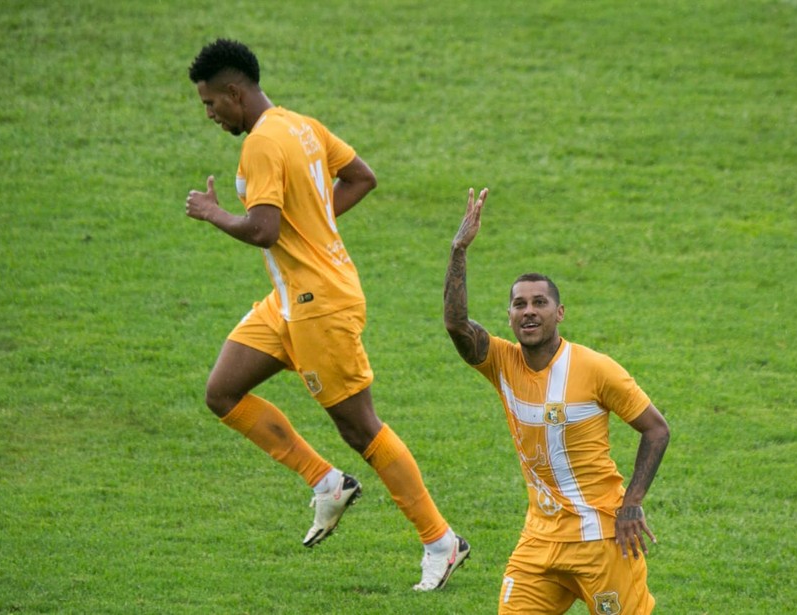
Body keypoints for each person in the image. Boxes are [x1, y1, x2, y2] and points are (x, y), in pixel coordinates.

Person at [184, 38, 468, 591]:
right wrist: (316, 224)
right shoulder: (302, 125)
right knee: (222, 392)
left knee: (360, 427)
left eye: (210, 104)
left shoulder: (262, 146)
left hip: (320, 305)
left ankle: (441, 542)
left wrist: (214, 213)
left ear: (234, 92)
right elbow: (362, 176)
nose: (210, 115)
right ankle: (326, 482)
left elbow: (263, 229)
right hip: (289, 301)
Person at [443, 188, 670, 613]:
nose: (529, 311)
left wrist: (632, 503)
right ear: (509, 316)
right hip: (539, 543)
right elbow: (456, 325)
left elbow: (656, 430)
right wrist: (459, 250)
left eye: (539, 303)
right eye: (519, 304)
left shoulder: (597, 369)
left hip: (600, 541)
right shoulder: (501, 361)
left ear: (559, 313)